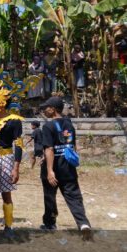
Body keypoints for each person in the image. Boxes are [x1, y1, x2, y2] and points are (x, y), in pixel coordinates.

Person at [39, 96, 92, 240]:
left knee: (50, 196)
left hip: (54, 167)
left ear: (53, 109)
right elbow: (72, 146)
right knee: (74, 196)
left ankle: (50, 223)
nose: (44, 110)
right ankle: (83, 224)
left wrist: (50, 171)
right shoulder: (69, 124)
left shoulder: (48, 126)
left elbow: (49, 149)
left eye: (47, 107)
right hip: (68, 167)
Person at [0, 82, 24, 238]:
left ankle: (8, 225)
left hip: (7, 158)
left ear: (2, 102)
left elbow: (18, 144)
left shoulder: (14, 120)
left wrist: (16, 167)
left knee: (6, 193)